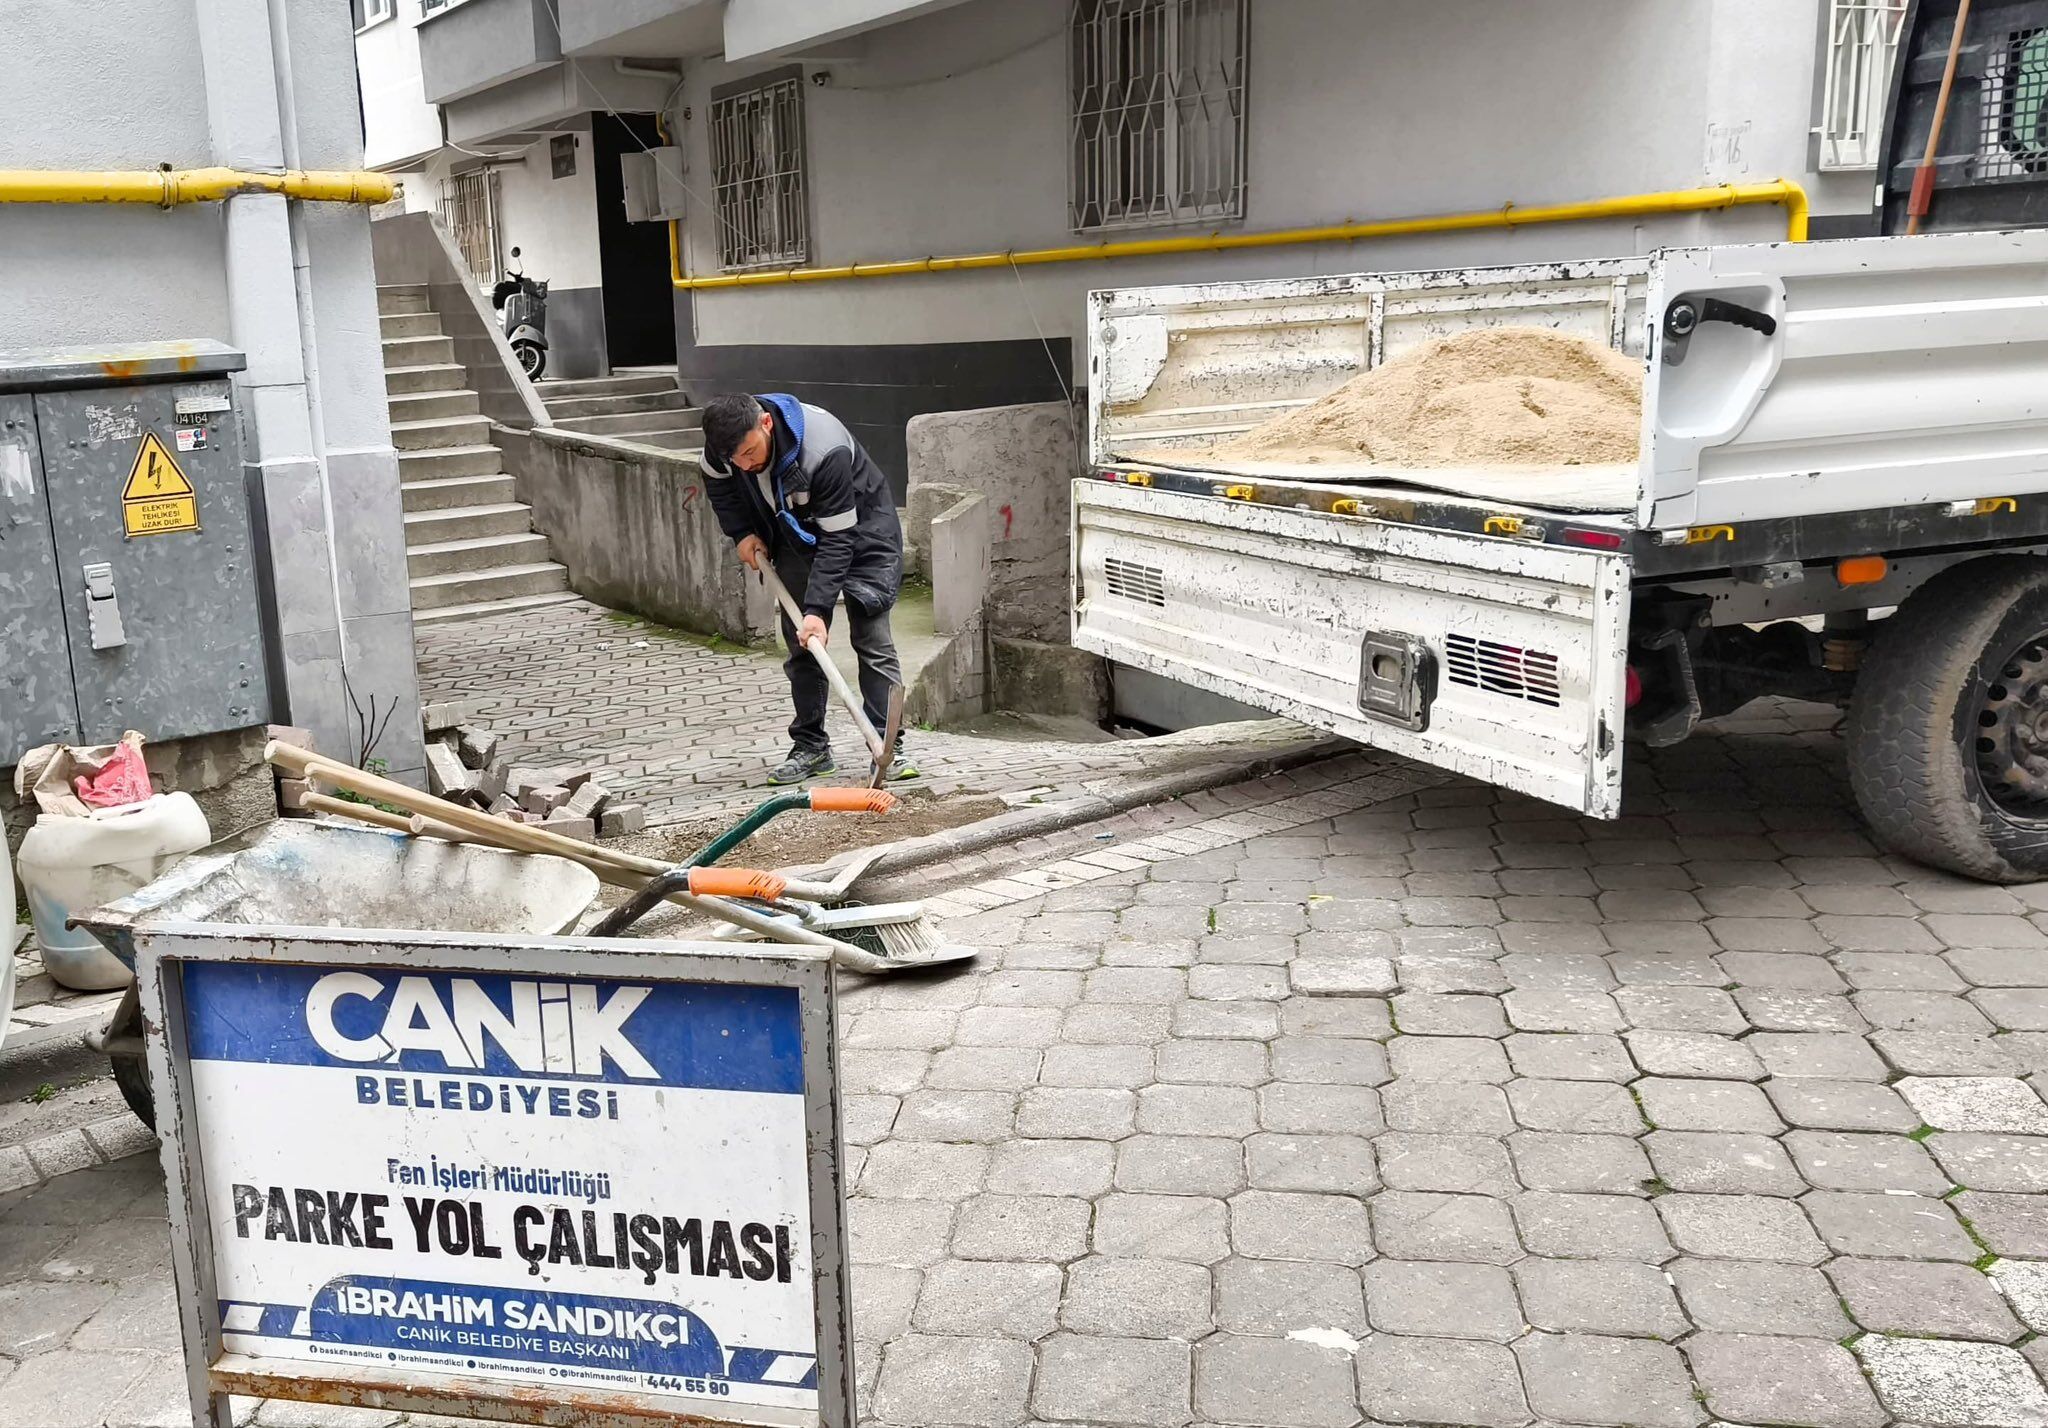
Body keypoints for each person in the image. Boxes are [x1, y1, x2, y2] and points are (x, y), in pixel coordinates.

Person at [698, 392, 916, 784]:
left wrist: (818, 610)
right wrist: (743, 533)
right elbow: (719, 486)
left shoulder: (822, 449)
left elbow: (839, 540)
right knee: (802, 645)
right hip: (796, 532)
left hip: (862, 533)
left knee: (872, 639)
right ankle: (811, 747)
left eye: (750, 453)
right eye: (737, 460)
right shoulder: (725, 447)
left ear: (766, 423)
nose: (745, 466)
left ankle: (887, 744)